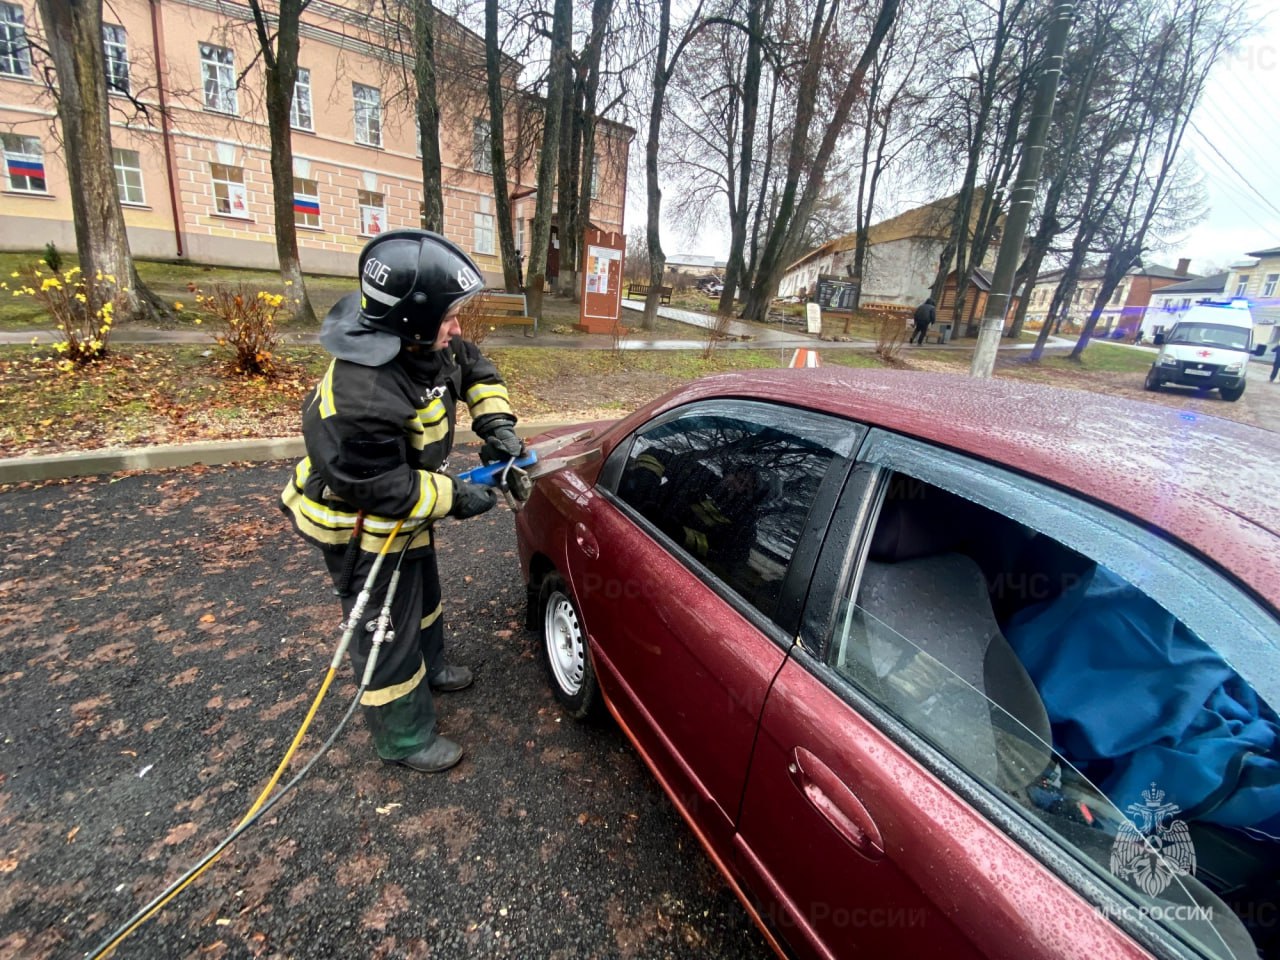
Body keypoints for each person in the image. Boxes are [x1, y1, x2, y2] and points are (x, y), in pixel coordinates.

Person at [280, 229, 524, 774]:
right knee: (384, 627)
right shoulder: (363, 392)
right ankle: (403, 736)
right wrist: (458, 496)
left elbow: (474, 368)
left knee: (422, 593)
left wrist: (498, 426)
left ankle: (432, 667)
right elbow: (381, 487)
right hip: (362, 524)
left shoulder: (420, 344)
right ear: (410, 321)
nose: (456, 328)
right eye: (447, 317)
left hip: (403, 515)